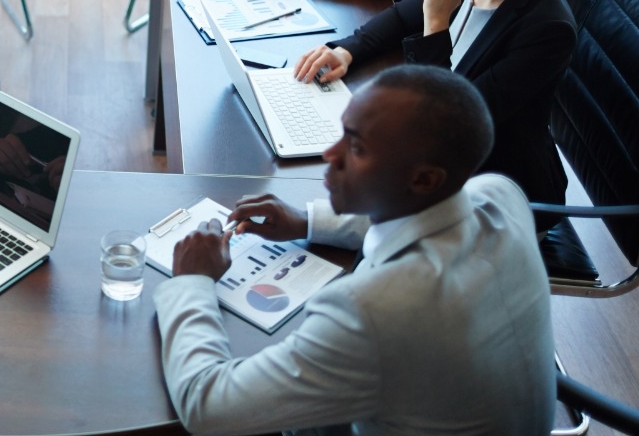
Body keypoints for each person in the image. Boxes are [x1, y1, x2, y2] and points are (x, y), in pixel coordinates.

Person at [156, 65, 554, 434]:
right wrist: (307, 220)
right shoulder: (500, 194)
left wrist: (193, 281)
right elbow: (423, 212)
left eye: (358, 148)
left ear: (425, 179)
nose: (331, 155)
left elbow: (206, 407)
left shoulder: (372, 311)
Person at [293, 0, 576, 226]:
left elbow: (444, 126)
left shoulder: (546, 29)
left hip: (498, 198)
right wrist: (346, 49)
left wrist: (437, 22)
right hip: (444, 168)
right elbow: (400, 17)